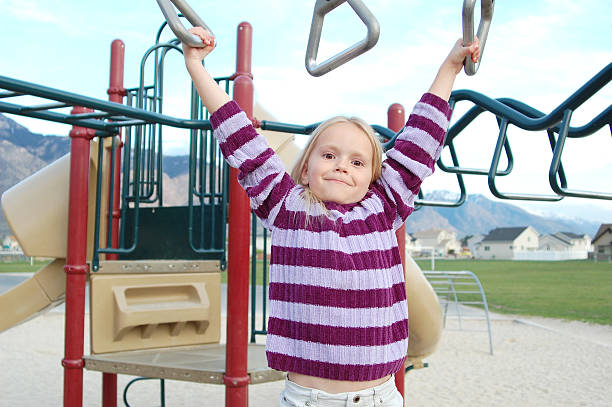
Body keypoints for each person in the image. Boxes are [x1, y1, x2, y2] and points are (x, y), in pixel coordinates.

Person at [183, 26, 480, 407]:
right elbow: (240, 136)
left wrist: (449, 68)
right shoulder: (286, 208)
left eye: (357, 161)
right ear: (305, 170)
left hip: (379, 397)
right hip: (310, 399)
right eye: (329, 155)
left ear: (373, 177)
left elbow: (420, 140)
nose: (342, 166)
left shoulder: (382, 207)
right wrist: (196, 65)